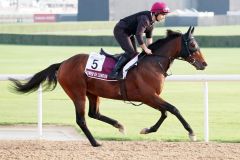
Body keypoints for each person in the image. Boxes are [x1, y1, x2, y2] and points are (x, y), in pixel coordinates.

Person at [108, 2, 170, 79]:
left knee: (135, 55)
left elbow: (149, 39)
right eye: (163, 14)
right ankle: (114, 72)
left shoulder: (151, 24)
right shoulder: (145, 19)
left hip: (128, 33)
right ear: (156, 13)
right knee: (130, 53)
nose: (164, 17)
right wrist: (145, 49)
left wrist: (150, 50)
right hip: (121, 30)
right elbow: (138, 35)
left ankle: (128, 72)